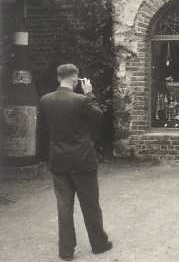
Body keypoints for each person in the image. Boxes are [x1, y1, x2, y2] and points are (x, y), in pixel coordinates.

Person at [40, 64, 112, 261]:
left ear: (58, 78)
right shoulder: (81, 100)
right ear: (75, 79)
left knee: (64, 207)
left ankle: (66, 251)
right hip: (82, 160)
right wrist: (89, 94)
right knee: (90, 205)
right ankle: (99, 244)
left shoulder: (45, 100)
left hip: (58, 160)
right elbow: (98, 117)